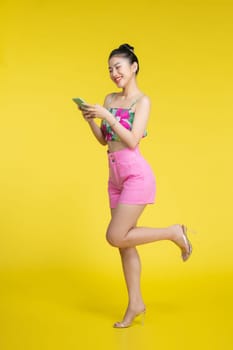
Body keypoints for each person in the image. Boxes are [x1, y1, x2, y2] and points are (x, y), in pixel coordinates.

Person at [77, 43, 192, 328]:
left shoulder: (142, 102)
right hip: (114, 176)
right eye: (110, 69)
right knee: (124, 246)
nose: (114, 73)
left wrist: (108, 117)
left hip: (136, 175)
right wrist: (91, 120)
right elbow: (105, 141)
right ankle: (135, 303)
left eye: (118, 67)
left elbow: (132, 140)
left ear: (133, 67)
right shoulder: (109, 98)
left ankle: (173, 232)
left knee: (115, 235)